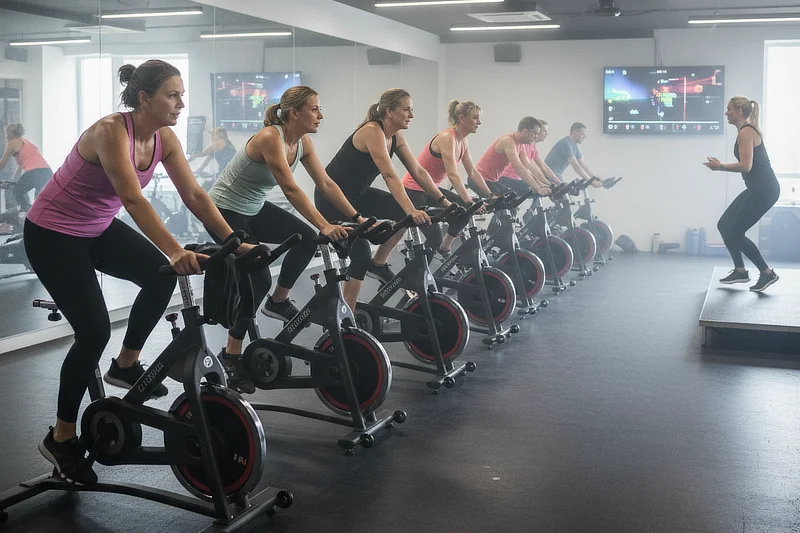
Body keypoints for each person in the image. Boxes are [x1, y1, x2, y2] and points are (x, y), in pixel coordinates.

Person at [24, 59, 253, 484]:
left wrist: (232, 241)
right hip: (52, 233)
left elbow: (195, 194)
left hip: (96, 227)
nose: (181, 103)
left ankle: (126, 364)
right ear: (144, 98)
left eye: (182, 95)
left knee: (158, 276)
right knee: (92, 331)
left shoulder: (164, 138)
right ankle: (60, 437)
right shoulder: (111, 131)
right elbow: (132, 199)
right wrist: (174, 250)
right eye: (172, 95)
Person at [207, 85, 360, 393]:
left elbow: (326, 183)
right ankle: (231, 354)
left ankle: (278, 301)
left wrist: (357, 218)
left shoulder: (301, 143)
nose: (320, 115)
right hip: (224, 211)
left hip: (254, 207)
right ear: (294, 113)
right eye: (314, 109)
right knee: (258, 278)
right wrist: (325, 225)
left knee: (304, 237)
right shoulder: (269, 138)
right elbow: (290, 189)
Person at [315, 88, 437, 311]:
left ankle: (378, 264)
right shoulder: (372, 131)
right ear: (389, 112)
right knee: (360, 254)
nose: (411, 115)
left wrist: (443, 200)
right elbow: (389, 175)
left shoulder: (396, 136)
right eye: (407, 110)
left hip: (357, 197)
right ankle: (347, 317)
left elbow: (418, 170)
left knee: (402, 214)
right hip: (332, 200)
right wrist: (412, 210)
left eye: (412, 110)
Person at [704, 96, 780, 292]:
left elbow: (746, 166)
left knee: (736, 232)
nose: (726, 113)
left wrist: (719, 166)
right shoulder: (745, 131)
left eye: (729, 109)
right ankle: (740, 270)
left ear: (738, 111)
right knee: (724, 225)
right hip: (756, 189)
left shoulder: (746, 133)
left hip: (765, 191)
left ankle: (766, 273)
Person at [402, 99, 492, 256]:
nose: (479, 122)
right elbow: (453, 174)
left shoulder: (463, 141)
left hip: (430, 189)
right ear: (462, 118)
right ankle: (419, 276)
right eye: (475, 118)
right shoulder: (447, 138)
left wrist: (490, 195)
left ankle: (444, 249)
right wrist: (469, 201)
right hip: (413, 190)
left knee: (464, 213)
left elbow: (472, 171)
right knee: (434, 236)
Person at [472, 116, 552, 196]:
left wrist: (540, 184)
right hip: (479, 179)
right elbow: (518, 167)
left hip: (492, 181)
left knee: (511, 197)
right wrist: (537, 188)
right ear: (525, 131)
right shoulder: (508, 141)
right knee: (507, 200)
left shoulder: (520, 144)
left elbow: (526, 167)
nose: (536, 137)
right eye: (534, 133)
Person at [497, 117, 562, 196]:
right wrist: (542, 183)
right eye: (544, 131)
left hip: (516, 178)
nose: (547, 134)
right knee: (534, 191)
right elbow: (527, 167)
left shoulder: (533, 147)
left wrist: (557, 183)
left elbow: (543, 167)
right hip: (506, 178)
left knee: (538, 190)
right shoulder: (524, 145)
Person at [0, 123, 53, 213]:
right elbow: (20, 167)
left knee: (17, 191)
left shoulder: (13, 142)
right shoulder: (28, 143)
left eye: (6, 133)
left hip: (34, 172)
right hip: (47, 172)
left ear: (10, 133)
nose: (5, 136)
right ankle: (33, 213)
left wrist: (16, 185)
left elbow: (2, 163)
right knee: (39, 201)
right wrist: (13, 181)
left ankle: (28, 212)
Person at [544, 122, 603, 186]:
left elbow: (584, 165)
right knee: (565, 192)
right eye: (583, 134)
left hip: (555, 174)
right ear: (575, 132)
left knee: (566, 192)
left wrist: (596, 178)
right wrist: (592, 182)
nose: (584, 137)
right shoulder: (566, 143)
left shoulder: (573, 145)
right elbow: (576, 166)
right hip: (549, 174)